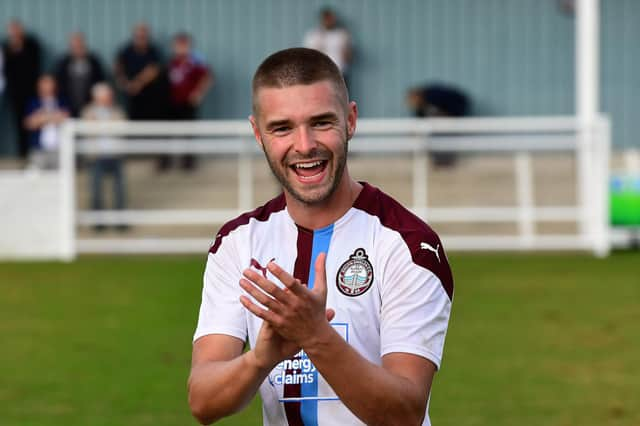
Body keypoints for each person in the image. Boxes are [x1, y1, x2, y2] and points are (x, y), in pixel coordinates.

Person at [189, 48, 453, 426]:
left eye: (321, 122)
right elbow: (203, 400)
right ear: (258, 134)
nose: (304, 144)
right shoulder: (238, 243)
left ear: (351, 120)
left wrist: (315, 336)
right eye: (282, 128)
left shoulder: (407, 244)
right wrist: (260, 358)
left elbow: (405, 413)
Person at [161, 32, 213, 171]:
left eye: (184, 45)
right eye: (178, 45)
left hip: (187, 104)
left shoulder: (195, 62)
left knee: (188, 132)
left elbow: (207, 77)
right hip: (171, 102)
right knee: (167, 132)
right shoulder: (171, 62)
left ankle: (188, 162)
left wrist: (198, 93)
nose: (181, 48)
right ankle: (165, 161)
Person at [81, 83, 128, 231]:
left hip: (115, 155)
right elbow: (87, 131)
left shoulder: (117, 110)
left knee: (120, 190)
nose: (108, 99)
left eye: (108, 96)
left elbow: (123, 128)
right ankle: (98, 222)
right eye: (104, 97)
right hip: (96, 157)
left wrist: (103, 125)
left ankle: (121, 221)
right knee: (96, 190)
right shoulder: (88, 111)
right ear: (97, 98)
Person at [2, 19, 41, 160]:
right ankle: (22, 154)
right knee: (19, 123)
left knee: (33, 122)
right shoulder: (6, 47)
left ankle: (33, 153)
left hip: (31, 91)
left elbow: (33, 65)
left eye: (17, 29)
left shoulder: (32, 44)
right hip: (14, 92)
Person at [406, 83, 471, 167]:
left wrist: (448, 117)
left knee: (449, 139)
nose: (412, 103)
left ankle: (448, 162)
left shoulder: (434, 95)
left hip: (456, 112)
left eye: (413, 99)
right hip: (442, 123)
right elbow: (419, 120)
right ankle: (439, 162)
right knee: (436, 139)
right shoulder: (421, 105)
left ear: (417, 96)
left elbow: (455, 105)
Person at [114, 23, 167, 121]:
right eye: (138, 36)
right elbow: (118, 69)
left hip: (152, 98)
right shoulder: (126, 51)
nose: (141, 38)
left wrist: (137, 83)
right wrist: (126, 84)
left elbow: (153, 69)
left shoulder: (154, 51)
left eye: (143, 36)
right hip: (132, 98)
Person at [55, 32, 106, 118]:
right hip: (67, 105)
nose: (77, 48)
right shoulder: (63, 63)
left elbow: (100, 83)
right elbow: (59, 83)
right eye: (74, 46)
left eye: (79, 45)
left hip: (90, 105)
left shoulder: (94, 62)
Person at [23, 74, 70, 169]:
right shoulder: (33, 102)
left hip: (58, 149)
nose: (46, 86)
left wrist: (42, 117)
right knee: (37, 179)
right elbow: (29, 123)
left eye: (49, 83)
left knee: (59, 178)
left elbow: (65, 118)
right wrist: (53, 116)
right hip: (39, 149)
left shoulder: (62, 101)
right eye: (44, 83)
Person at [304, 8, 352, 84]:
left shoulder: (342, 34)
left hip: (340, 72)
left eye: (331, 18)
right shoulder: (314, 35)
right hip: (320, 73)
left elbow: (348, 56)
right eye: (327, 19)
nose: (329, 21)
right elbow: (309, 55)